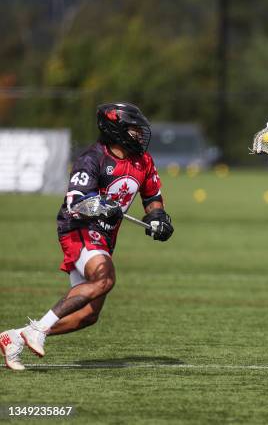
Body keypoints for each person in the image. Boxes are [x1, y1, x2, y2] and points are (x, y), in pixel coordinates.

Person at [0, 102, 174, 371]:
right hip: (78, 229)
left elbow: (152, 198)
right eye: (133, 130)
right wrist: (103, 207)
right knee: (104, 279)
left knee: (88, 315)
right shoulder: (91, 159)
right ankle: (39, 330)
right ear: (115, 130)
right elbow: (76, 202)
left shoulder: (144, 162)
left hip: (104, 238)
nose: (139, 135)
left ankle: (15, 337)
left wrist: (158, 219)